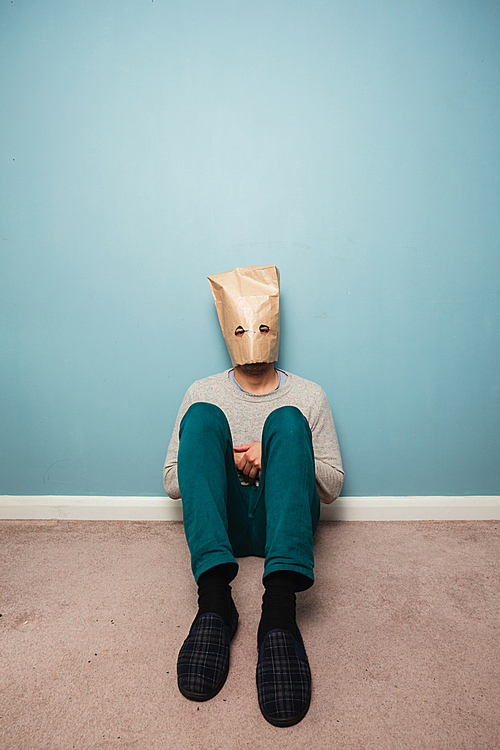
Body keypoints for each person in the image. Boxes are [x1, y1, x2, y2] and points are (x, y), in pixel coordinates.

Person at [163, 265, 344, 727]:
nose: (252, 336)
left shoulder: (308, 395)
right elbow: (170, 482)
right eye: (242, 327)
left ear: (275, 328)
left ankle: (279, 616)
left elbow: (332, 486)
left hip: (281, 523)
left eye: (262, 326)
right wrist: (223, 455)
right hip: (223, 526)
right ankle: (215, 604)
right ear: (228, 330)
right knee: (203, 418)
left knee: (286, 420)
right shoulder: (199, 392)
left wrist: (280, 453)